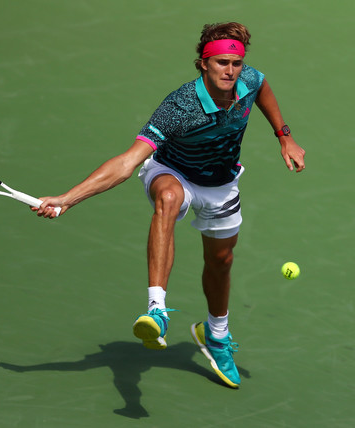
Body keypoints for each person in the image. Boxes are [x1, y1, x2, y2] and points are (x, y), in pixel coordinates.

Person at [34, 22, 306, 389]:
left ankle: (216, 334)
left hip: (221, 183)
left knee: (221, 262)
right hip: (172, 171)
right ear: (203, 64)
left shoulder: (249, 81)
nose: (230, 70)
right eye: (222, 62)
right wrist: (68, 199)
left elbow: (264, 91)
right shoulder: (179, 106)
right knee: (169, 199)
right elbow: (128, 162)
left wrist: (284, 136)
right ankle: (157, 311)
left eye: (236, 63)